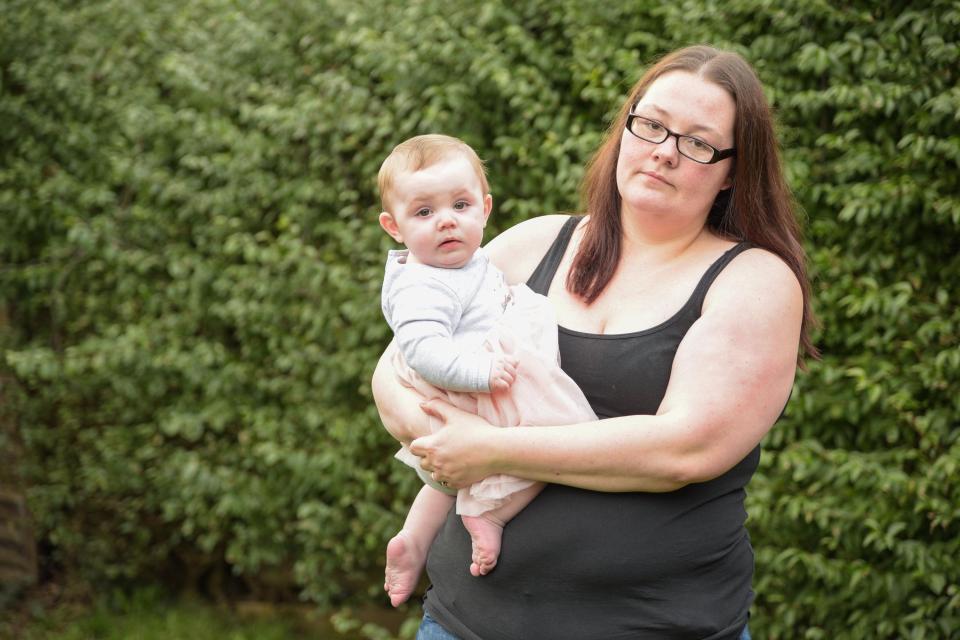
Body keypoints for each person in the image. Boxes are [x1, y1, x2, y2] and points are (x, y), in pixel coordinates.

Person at [373, 45, 818, 639]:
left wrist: (493, 449)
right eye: (651, 124)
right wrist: (434, 432)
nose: (664, 151)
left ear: (734, 169)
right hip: (464, 625)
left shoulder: (753, 282)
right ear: (625, 127)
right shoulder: (534, 243)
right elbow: (395, 366)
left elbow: (684, 450)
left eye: (698, 142)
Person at [376, 135, 597, 608]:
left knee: (445, 473)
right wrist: (481, 372)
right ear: (393, 227)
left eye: (460, 204)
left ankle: (415, 537)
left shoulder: (462, 264)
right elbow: (421, 350)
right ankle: (490, 516)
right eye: (424, 213)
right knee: (559, 437)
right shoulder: (422, 285)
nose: (447, 221)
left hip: (470, 371)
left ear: (485, 207)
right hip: (463, 380)